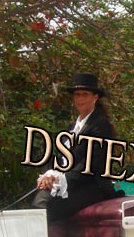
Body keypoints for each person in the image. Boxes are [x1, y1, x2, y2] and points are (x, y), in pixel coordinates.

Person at [32, 73, 124, 221]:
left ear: (95, 97)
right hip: (70, 185)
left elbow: (92, 166)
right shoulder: (71, 128)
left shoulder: (100, 125)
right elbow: (61, 160)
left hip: (92, 187)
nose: (80, 99)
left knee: (49, 207)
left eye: (85, 95)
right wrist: (49, 176)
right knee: (38, 200)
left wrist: (60, 179)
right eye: (77, 95)